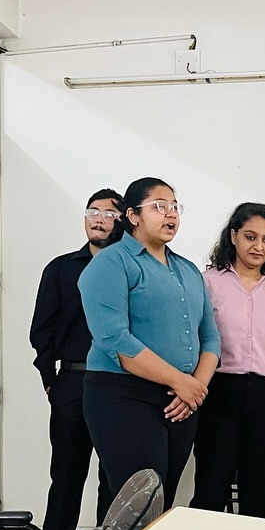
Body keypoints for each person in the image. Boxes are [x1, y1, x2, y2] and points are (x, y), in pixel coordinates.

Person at [78, 177, 220, 509]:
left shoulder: (188, 270)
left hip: (181, 400)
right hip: (123, 395)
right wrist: (181, 382)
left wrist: (194, 389)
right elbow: (115, 339)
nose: (170, 213)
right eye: (159, 206)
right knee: (138, 506)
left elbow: (211, 337)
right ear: (133, 215)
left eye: (174, 207)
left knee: (163, 503)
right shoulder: (112, 262)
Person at [28, 188, 124, 530]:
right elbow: (41, 330)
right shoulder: (61, 269)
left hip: (119, 383)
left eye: (109, 214)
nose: (99, 219)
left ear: (124, 221)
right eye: (92, 211)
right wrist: (50, 379)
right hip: (73, 381)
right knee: (66, 475)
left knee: (114, 478)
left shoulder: (131, 269)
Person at [190, 204, 265, 519]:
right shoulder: (208, 282)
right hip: (218, 392)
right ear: (233, 236)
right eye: (250, 237)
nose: (258, 247)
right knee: (211, 488)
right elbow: (197, 336)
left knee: (260, 490)